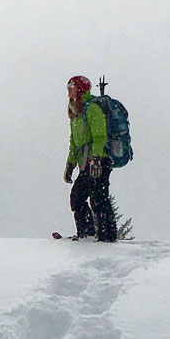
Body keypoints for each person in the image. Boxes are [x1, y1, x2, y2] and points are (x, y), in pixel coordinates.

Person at [63, 75, 117, 242]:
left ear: (79, 88)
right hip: (86, 163)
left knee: (98, 198)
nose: (68, 91)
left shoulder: (92, 109)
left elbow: (100, 136)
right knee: (77, 197)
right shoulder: (76, 113)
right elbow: (74, 142)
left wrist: (96, 159)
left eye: (71, 87)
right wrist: (70, 164)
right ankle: (87, 234)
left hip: (99, 161)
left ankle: (106, 237)